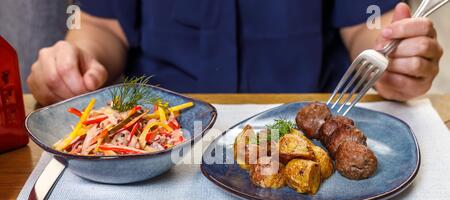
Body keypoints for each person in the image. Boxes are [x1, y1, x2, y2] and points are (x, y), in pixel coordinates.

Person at [27, 1, 443, 106]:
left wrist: (393, 57)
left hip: (311, 131)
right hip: (159, 143)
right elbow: (101, 26)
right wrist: (74, 62)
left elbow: (368, 23)